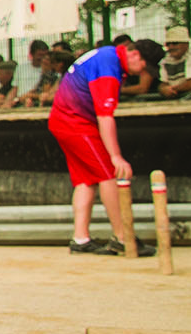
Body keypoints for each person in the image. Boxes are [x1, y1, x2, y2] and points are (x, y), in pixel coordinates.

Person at [49, 37, 145, 256]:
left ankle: (80, 239)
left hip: (64, 120)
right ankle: (122, 237)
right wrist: (116, 156)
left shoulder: (107, 54)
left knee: (86, 180)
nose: (142, 72)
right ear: (135, 55)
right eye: (144, 66)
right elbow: (105, 116)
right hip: (76, 122)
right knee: (109, 175)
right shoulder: (109, 63)